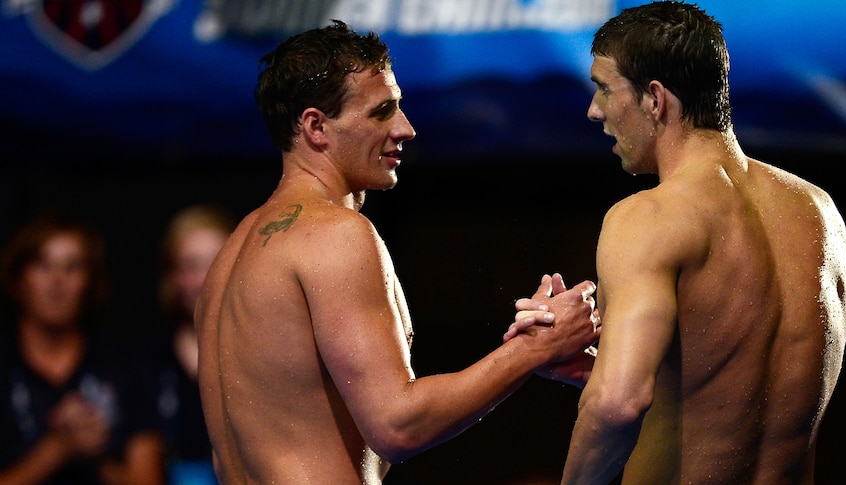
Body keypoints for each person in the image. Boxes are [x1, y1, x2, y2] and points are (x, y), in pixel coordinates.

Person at [195, 20, 601, 485]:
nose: (405, 129)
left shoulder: (230, 256)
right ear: (315, 126)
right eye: (381, 112)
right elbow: (397, 426)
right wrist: (537, 347)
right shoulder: (335, 234)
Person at [509, 2, 846, 484]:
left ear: (655, 98)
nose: (594, 110)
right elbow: (745, 386)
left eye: (605, 89)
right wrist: (596, 367)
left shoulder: (648, 217)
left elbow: (618, 405)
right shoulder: (820, 213)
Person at [0, 210, 166, 485]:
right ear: (19, 278)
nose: (57, 281)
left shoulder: (126, 368)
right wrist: (56, 449)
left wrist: (91, 456)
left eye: (72, 266)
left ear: (90, 284)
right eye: (42, 265)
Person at [144, 204, 236, 485]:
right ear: (171, 278)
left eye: (217, 262)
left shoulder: (267, 360)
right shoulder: (146, 364)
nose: (206, 279)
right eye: (191, 266)